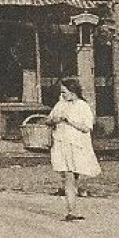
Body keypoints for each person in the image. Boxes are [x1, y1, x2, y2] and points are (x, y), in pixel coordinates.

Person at [46, 77, 101, 221]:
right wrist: (55, 120)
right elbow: (48, 120)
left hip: (78, 145)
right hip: (63, 144)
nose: (63, 95)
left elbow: (86, 127)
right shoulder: (60, 105)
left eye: (65, 92)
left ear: (73, 91)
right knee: (69, 176)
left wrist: (69, 120)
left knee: (74, 177)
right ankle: (71, 211)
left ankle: (72, 206)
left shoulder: (83, 106)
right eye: (61, 92)